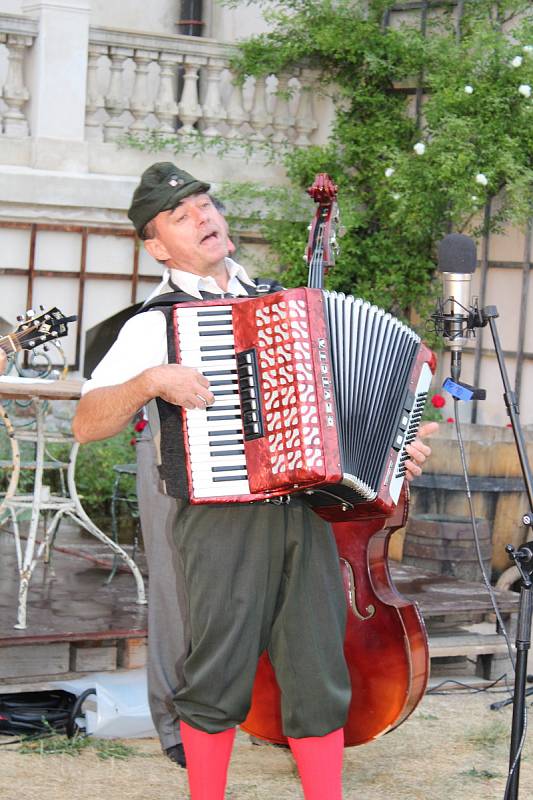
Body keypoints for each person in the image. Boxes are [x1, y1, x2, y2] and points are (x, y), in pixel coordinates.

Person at [73, 162, 437, 800]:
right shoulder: (155, 324)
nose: (204, 219)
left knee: (319, 674)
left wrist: (394, 449)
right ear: (156, 245)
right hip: (221, 519)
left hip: (305, 511)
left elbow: (337, 413)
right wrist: (150, 382)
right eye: (182, 217)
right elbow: (85, 422)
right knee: (216, 674)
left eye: (207, 206)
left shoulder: (281, 302)